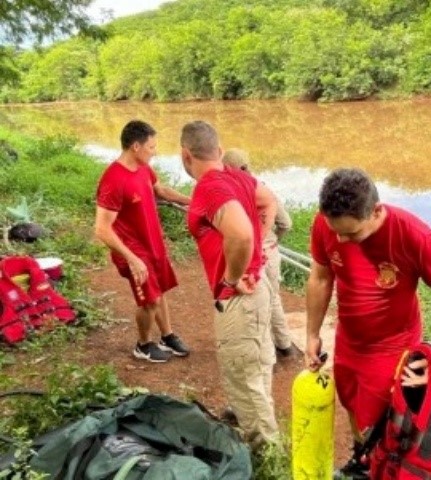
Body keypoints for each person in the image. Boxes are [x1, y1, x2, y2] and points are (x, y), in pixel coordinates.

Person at [305, 168, 431, 479]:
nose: (340, 239)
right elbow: (321, 278)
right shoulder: (325, 223)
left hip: (392, 345)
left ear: (376, 211)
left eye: (351, 234)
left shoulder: (413, 234)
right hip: (349, 339)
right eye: (335, 231)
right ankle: (363, 460)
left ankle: (383, 467)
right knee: (352, 404)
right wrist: (312, 333)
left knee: (384, 422)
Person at [180, 121, 279, 450]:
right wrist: (260, 249)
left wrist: (232, 278)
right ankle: (261, 430)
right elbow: (268, 201)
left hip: (240, 295)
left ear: (185, 156)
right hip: (259, 285)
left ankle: (267, 456)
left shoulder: (209, 187)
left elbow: (239, 233)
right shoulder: (238, 176)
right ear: (219, 151)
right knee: (258, 366)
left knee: (242, 377)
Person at [95, 120, 191, 363]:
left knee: (160, 292)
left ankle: (166, 336)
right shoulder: (113, 180)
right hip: (131, 249)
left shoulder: (144, 168)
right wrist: (132, 258)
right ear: (135, 146)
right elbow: (102, 229)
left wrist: (193, 202)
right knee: (150, 300)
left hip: (153, 242)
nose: (154, 151)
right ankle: (143, 344)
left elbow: (161, 191)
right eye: (151, 147)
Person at [222, 148, 296, 360]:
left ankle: (263, 348)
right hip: (267, 253)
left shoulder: (227, 193)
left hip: (241, 254)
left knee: (250, 300)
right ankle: (283, 345)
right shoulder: (262, 190)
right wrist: (272, 240)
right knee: (272, 299)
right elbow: (286, 223)